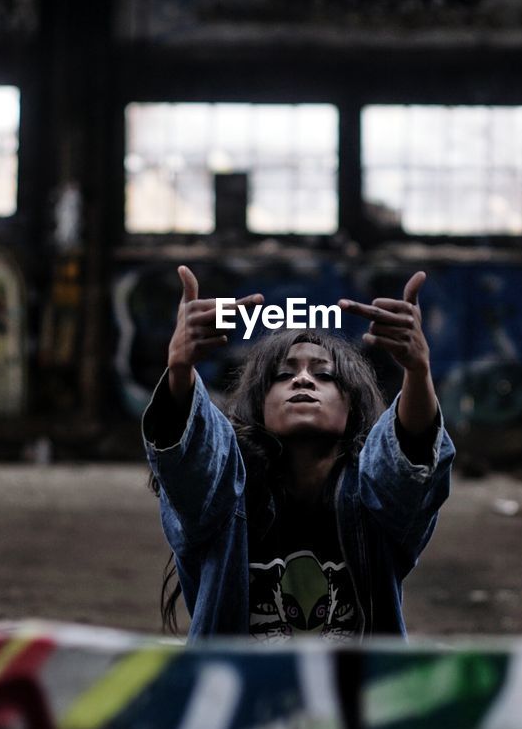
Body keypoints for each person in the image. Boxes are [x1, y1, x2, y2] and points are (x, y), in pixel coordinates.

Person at [143, 265, 454, 641]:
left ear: (351, 407)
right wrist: (180, 370)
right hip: (240, 695)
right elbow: (194, 464)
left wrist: (418, 372)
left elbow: (409, 467)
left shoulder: (373, 498)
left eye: (324, 375)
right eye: (283, 374)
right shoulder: (226, 495)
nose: (303, 379)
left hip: (353, 698)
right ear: (259, 405)